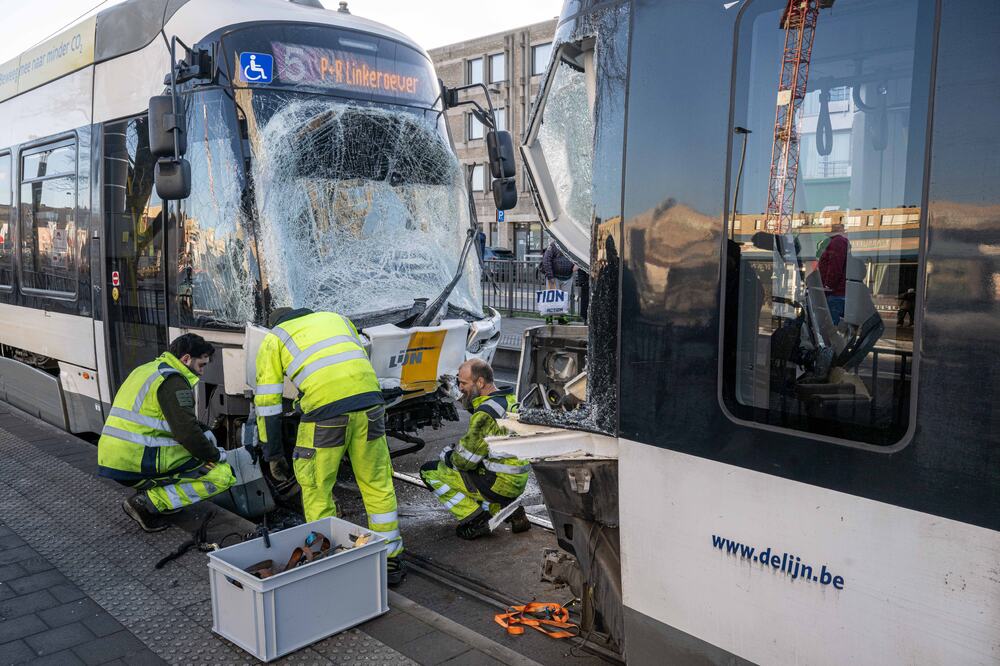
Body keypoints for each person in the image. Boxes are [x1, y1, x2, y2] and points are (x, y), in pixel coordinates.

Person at [253, 307, 405, 585]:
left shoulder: (275, 338)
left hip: (325, 417)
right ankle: (391, 559)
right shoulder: (337, 319)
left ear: (274, 323)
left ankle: (329, 560)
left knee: (317, 489)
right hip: (370, 406)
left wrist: (273, 453)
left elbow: (267, 403)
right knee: (377, 483)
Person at [98, 334, 236, 533]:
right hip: (136, 460)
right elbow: (187, 435)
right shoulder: (173, 381)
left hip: (114, 456)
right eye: (201, 365)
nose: (202, 372)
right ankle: (146, 503)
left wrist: (203, 430)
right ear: (186, 359)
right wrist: (216, 455)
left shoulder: (147, 370)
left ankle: (154, 494)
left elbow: (171, 419)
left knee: (194, 449)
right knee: (222, 475)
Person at [419, 359, 531, 540]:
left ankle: (476, 520)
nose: (460, 387)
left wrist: (448, 455)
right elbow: (482, 410)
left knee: (430, 471)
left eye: (463, 383)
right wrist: (458, 395)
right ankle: (510, 509)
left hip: (499, 483)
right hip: (517, 479)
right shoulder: (508, 400)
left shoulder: (485, 414)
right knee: (481, 469)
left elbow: (465, 461)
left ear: (480, 382)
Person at [817, 222, 850, 324]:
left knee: (831, 327)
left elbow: (835, 268)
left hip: (835, 294)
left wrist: (827, 286)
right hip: (835, 294)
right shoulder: (837, 242)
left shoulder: (838, 242)